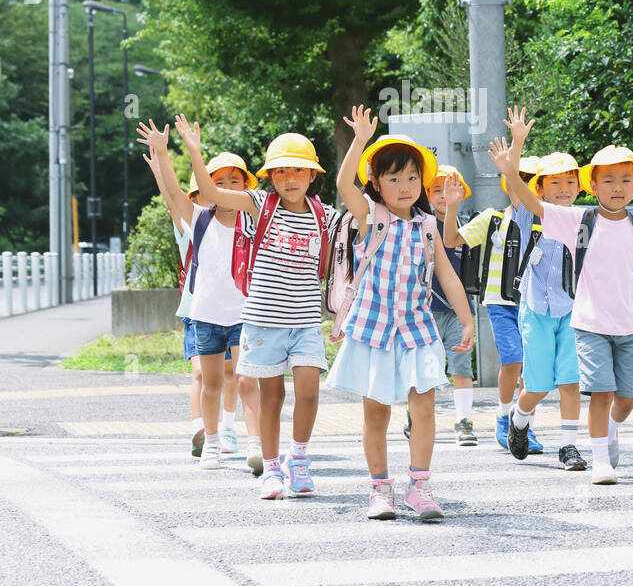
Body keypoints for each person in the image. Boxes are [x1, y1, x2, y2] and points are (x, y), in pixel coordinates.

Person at [176, 118, 342, 502]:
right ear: (269, 177)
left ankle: (297, 459)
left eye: (297, 170)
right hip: (264, 324)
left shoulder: (325, 216)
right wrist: (194, 150)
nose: (289, 178)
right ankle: (271, 469)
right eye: (280, 171)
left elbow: (343, 252)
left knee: (310, 391)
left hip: (303, 323)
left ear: (312, 174)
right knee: (271, 398)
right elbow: (209, 190)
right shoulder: (258, 205)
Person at [326, 106, 474, 521]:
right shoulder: (370, 216)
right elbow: (343, 183)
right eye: (394, 178)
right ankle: (380, 489)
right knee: (376, 412)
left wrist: (465, 320)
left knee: (423, 406)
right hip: (372, 328)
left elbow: (447, 277)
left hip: (417, 329)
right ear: (376, 182)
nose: (405, 186)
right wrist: (359, 140)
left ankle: (420, 486)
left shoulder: (428, 226)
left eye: (412, 178)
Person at [497, 122, 633, 484]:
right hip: (552, 314)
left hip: (591, 315)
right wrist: (515, 154)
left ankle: (579, 442)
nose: (618, 187)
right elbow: (527, 201)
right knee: (545, 385)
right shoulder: (575, 221)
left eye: (625, 180)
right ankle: (531, 423)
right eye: (609, 180)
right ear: (596, 185)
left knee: (605, 390)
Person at [137, 121, 260, 473]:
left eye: (233, 181)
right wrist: (165, 152)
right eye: (217, 181)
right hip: (205, 315)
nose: (224, 188)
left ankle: (255, 444)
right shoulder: (199, 219)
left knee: (248, 380)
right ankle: (212, 442)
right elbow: (174, 195)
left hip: (245, 314)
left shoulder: (255, 221)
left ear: (246, 187)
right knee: (210, 383)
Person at [488, 122, 586, 470]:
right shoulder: (531, 213)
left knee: (571, 381)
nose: (564, 188)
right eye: (554, 182)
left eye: (570, 181)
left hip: (573, 311)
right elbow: (515, 185)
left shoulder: (582, 217)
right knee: (539, 385)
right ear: (540, 188)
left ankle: (570, 446)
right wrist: (516, 145)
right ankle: (519, 416)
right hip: (536, 311)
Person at [443, 155, 544, 451]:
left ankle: (523, 425)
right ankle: (504, 418)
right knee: (513, 361)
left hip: (536, 306)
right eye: (519, 181)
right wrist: (452, 206)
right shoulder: (492, 219)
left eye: (531, 183)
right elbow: (451, 240)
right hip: (500, 302)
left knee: (532, 369)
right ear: (508, 184)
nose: (525, 188)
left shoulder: (546, 224)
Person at [406, 164, 477, 445]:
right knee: (423, 367)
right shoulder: (419, 224)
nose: (444, 196)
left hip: (459, 311)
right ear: (426, 194)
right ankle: (415, 416)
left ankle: (464, 422)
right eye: (437, 190)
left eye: (451, 190)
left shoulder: (469, 226)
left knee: (461, 367)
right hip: (424, 310)